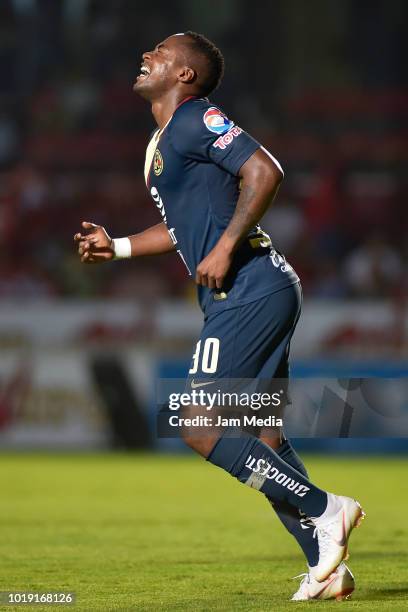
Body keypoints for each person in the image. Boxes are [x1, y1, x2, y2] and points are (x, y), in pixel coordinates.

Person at [74, 31, 364, 601]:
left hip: (249, 287)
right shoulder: (165, 139)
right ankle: (326, 567)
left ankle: (324, 508)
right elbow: (182, 229)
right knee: (264, 434)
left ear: (184, 75)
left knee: (197, 422)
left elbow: (265, 168)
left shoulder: (194, 119)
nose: (145, 56)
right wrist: (122, 247)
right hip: (258, 286)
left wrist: (228, 243)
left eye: (159, 52)